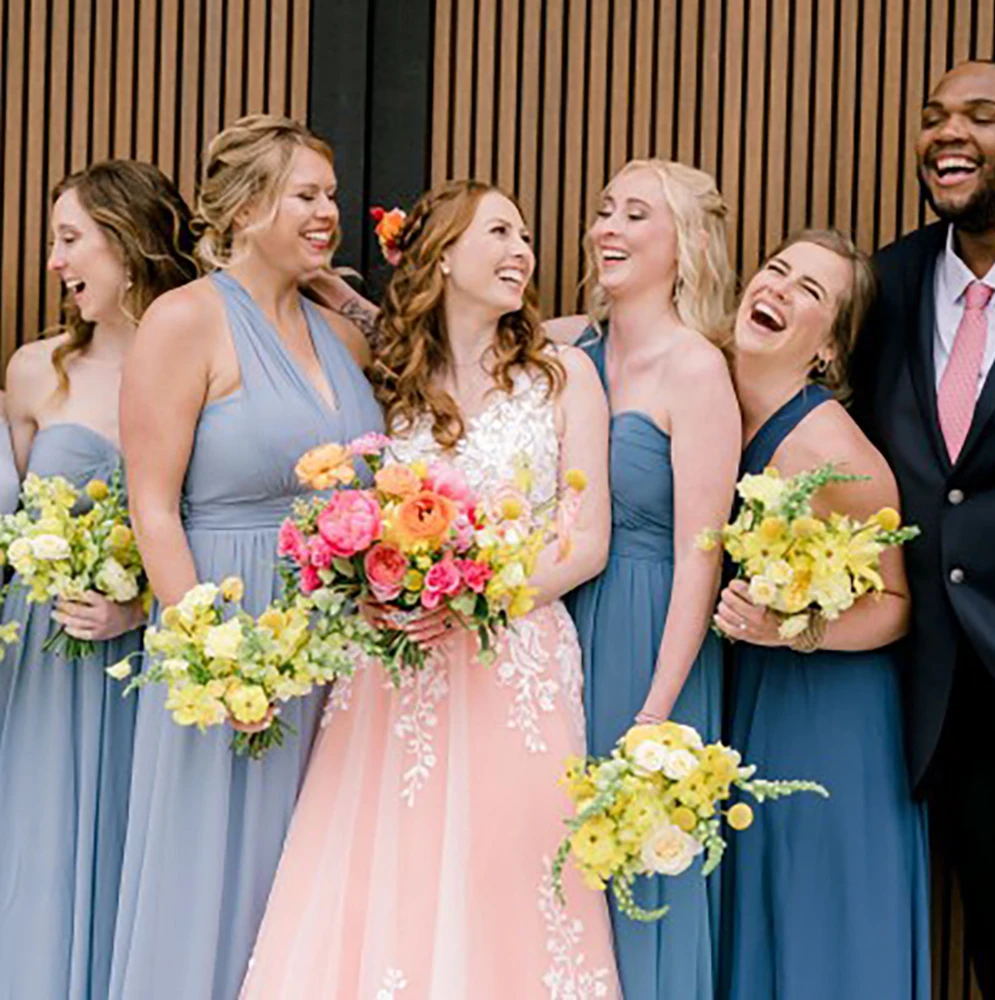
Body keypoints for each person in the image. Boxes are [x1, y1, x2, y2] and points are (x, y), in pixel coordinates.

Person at [240, 179, 620, 998]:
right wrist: (381, 585)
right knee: (390, 862)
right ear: (444, 255)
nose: (522, 251)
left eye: (525, 236)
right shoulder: (391, 383)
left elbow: (586, 543)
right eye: (500, 233)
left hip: (515, 656)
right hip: (397, 665)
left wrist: (475, 604)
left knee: (509, 875)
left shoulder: (563, 377)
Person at [109, 116, 383, 1000]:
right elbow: (153, 506)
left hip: (333, 647)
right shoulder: (185, 321)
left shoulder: (340, 337)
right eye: (306, 195)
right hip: (226, 635)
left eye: (330, 196)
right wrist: (214, 658)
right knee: (212, 870)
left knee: (309, 880)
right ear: (244, 205)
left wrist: (356, 307)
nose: (327, 213)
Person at [0, 159, 198, 1000]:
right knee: (34, 857)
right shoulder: (35, 371)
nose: (55, 262)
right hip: (43, 661)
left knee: (141, 855)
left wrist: (141, 604)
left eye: (70, 239)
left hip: (153, 662)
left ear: (127, 244)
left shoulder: (203, 367)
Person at [717, 231, 930, 1000]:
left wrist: (792, 629)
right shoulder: (711, 389)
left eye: (809, 291)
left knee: (820, 929)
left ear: (831, 350)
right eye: (775, 270)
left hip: (829, 717)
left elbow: (898, 606)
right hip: (750, 697)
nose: (776, 288)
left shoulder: (837, 453)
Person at [547, 159, 740, 999]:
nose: (608, 230)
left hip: (650, 636)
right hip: (556, 631)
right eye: (603, 212)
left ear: (685, 247)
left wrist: (657, 715)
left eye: (635, 216)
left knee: (638, 867)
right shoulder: (567, 349)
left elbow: (703, 551)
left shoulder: (694, 368)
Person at [849, 59, 995, 999]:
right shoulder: (886, 284)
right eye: (934, 116)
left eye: (982, 116)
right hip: (928, 695)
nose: (948, 133)